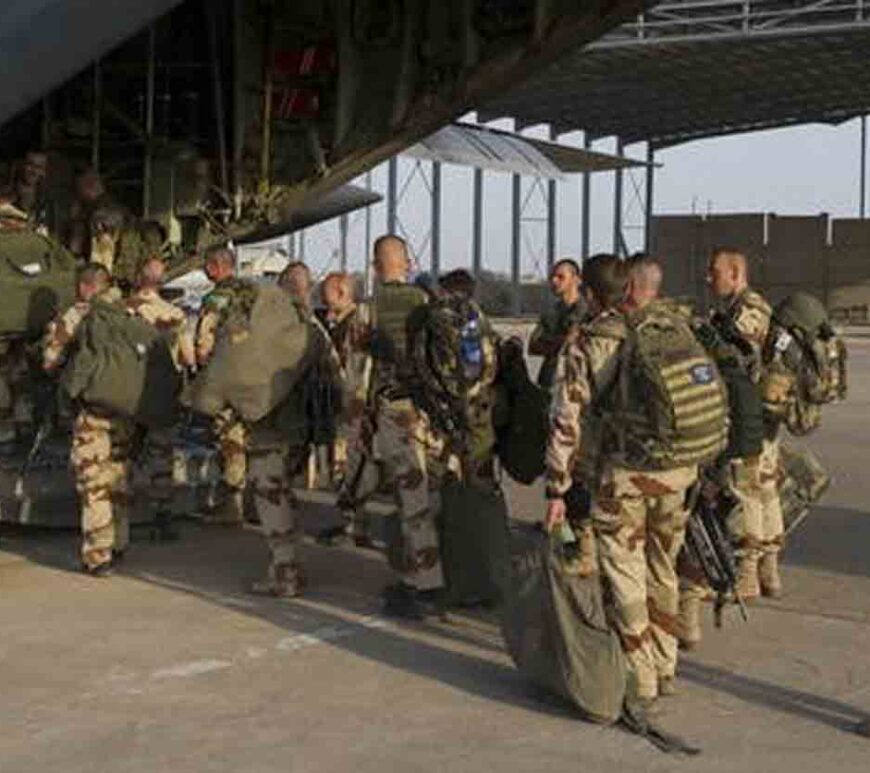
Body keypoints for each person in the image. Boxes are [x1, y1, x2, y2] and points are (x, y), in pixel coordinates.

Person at [545, 253, 699, 706]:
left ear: (591, 294)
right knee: (662, 567)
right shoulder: (668, 327)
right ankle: (666, 664)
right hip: (678, 470)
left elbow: (565, 419)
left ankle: (640, 678)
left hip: (626, 478)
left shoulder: (591, 340)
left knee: (625, 575)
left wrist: (557, 487)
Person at [355, 234, 445, 618]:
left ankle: (425, 588)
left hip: (397, 412)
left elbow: (358, 374)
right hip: (434, 413)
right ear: (407, 263)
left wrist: (359, 417)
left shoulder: (369, 309)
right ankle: (431, 574)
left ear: (376, 266)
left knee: (412, 503)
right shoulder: (426, 302)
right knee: (430, 497)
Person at [42, 263, 130, 576]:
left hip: (93, 412)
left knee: (94, 483)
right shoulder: (130, 312)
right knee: (117, 475)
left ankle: (98, 554)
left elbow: (50, 361)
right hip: (126, 412)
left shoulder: (76, 315)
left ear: (83, 286)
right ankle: (120, 542)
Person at [705, 248, 783, 599]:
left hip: (750, 412)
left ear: (735, 273)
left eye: (716, 272)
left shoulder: (750, 310)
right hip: (762, 411)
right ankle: (770, 568)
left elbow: (740, 359)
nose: (710, 279)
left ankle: (750, 573)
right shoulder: (738, 309)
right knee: (765, 488)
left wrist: (712, 340)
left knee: (748, 489)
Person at [124, 257, 195, 540]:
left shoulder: (122, 312)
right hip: (162, 396)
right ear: (162, 281)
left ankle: (118, 517)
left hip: (128, 395)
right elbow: (188, 358)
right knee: (161, 457)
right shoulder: (174, 315)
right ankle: (161, 517)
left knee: (124, 454)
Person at [195, 245, 257, 524]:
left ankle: (233, 506)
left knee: (231, 441)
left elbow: (203, 346)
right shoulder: (254, 294)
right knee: (254, 439)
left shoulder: (215, 298)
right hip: (257, 378)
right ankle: (256, 503)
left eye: (207, 267)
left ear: (215, 268)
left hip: (228, 379)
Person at [528, 258, 587, 390]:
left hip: (574, 383)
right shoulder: (551, 312)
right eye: (552, 277)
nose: (554, 281)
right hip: (549, 381)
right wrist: (563, 341)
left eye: (561, 277)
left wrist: (550, 340)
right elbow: (533, 345)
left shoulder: (586, 311)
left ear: (576, 280)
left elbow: (577, 344)